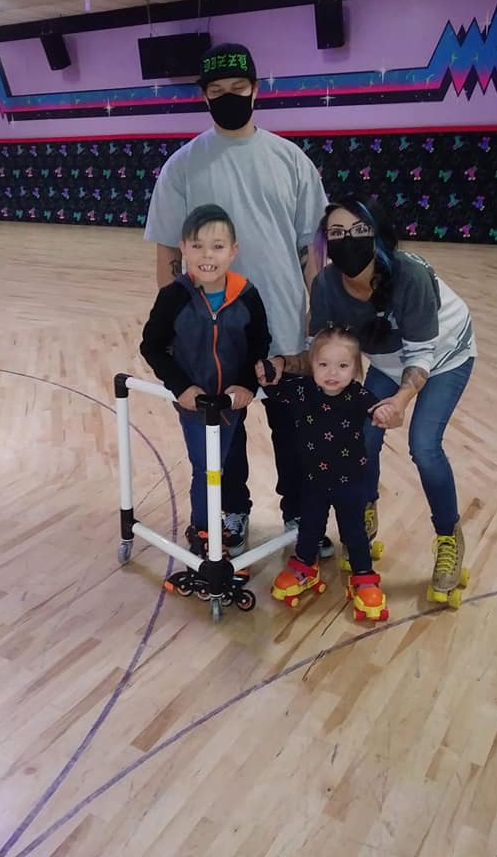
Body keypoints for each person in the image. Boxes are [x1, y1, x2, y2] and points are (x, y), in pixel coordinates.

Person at [144, 41, 329, 556]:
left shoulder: (291, 160)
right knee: (223, 435)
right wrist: (176, 323)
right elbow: (168, 251)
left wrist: (318, 318)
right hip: (215, 334)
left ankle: (301, 514)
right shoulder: (183, 166)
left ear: (256, 89)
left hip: (286, 327)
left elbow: (312, 249)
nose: (229, 96)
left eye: (238, 87)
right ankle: (231, 512)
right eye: (217, 90)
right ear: (204, 95)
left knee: (294, 432)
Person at [265, 195, 476, 600]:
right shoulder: (327, 285)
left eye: (359, 230)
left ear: (377, 234)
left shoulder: (410, 275)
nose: (348, 240)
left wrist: (399, 401)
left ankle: (448, 537)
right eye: (337, 233)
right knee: (363, 436)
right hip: (388, 359)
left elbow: (421, 355)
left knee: (424, 446)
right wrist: (282, 363)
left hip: (445, 355)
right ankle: (364, 506)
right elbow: (320, 351)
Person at [140, 204, 270, 556]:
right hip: (195, 405)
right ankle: (203, 531)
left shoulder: (247, 294)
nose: (207, 255)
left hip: (232, 403)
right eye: (197, 246)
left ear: (233, 251)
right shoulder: (174, 296)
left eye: (217, 246)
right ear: (183, 248)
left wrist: (247, 384)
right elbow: (152, 346)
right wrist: (181, 386)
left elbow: (259, 344)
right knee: (206, 468)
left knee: (229, 460)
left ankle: (232, 514)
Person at [256, 326, 388, 622]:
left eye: (342, 366)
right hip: (314, 480)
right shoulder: (302, 391)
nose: (332, 373)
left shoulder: (359, 395)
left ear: (355, 369)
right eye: (323, 364)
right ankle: (305, 566)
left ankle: (364, 576)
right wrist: (265, 373)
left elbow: (377, 409)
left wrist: (383, 413)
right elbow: (273, 389)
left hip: (350, 482)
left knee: (354, 532)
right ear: (312, 365)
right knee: (310, 527)